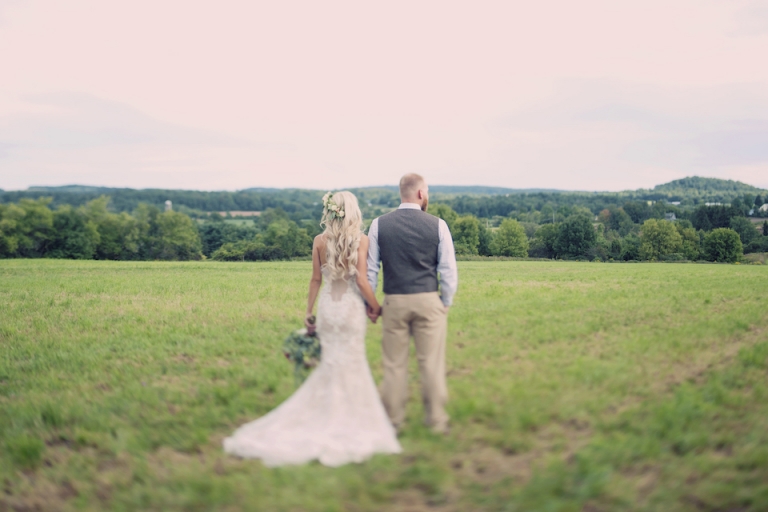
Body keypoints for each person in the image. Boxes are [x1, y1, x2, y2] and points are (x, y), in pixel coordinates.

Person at [223, 191, 401, 467]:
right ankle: (348, 419)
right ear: (353, 212)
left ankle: (327, 414)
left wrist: (309, 311)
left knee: (330, 363)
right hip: (351, 309)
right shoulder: (361, 240)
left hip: (329, 309)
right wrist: (375, 306)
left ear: (330, 212)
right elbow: (362, 281)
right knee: (352, 362)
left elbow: (316, 279)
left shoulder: (319, 241)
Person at [367, 173, 458, 434]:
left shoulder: (378, 225)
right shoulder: (438, 225)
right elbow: (448, 269)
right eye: (426, 191)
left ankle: (393, 420)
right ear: (420, 193)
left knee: (394, 364)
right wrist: (446, 300)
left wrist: (371, 304)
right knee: (431, 363)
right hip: (428, 300)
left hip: (394, 301)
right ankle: (437, 420)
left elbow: (371, 271)